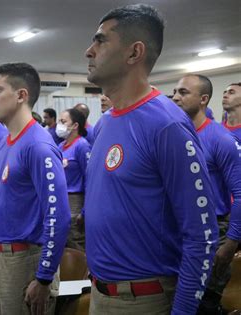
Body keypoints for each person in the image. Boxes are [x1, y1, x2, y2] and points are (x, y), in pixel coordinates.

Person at [83, 4, 217, 314]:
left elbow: (201, 234)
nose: (89, 51)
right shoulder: (105, 123)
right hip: (100, 293)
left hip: (144, 300)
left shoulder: (166, 124)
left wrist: (183, 310)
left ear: (134, 53)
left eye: (100, 40)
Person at [0, 62, 71, 315]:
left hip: (26, 260)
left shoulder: (37, 146)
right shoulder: (7, 141)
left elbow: (58, 217)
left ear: (21, 96)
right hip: (1, 256)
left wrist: (45, 277)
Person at [172, 74, 241, 314]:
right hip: (179, 232)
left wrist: (231, 243)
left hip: (214, 232)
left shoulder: (220, 139)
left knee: (203, 305)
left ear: (203, 99)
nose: (175, 97)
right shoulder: (174, 135)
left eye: (183, 92)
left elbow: (240, 193)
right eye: (175, 92)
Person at [57, 108, 91, 251]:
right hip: (61, 199)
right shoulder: (60, 146)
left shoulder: (82, 146)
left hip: (75, 200)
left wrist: (84, 211)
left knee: (76, 243)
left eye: (63, 121)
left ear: (75, 125)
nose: (59, 125)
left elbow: (89, 177)